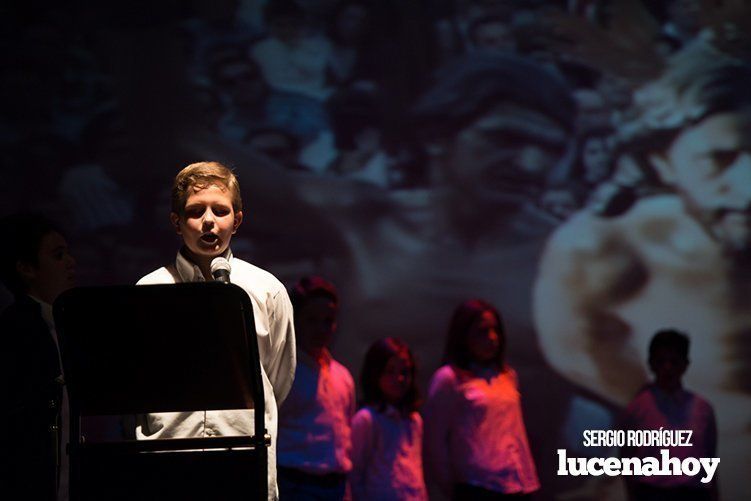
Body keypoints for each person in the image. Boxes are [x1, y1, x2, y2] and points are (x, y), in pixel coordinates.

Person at [533, 41, 751, 500]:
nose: (748, 187)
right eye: (720, 160)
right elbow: (582, 357)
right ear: (661, 162)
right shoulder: (602, 253)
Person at [135, 161, 296, 501]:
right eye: (196, 211)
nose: (209, 221)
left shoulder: (266, 290)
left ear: (237, 220)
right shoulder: (149, 291)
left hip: (245, 454)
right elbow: (137, 382)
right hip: (169, 457)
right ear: (177, 223)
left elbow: (275, 379)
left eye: (220, 210)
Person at [423, 299, 539, 500]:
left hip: (517, 483)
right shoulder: (449, 378)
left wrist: (528, 480)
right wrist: (451, 489)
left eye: (495, 330)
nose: (492, 338)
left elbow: (514, 433)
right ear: (464, 336)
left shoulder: (507, 375)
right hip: (477, 485)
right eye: (482, 332)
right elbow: (435, 442)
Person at [0, 213, 76, 501]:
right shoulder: (17, 330)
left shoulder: (58, 325)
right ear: (26, 268)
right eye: (58, 255)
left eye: (68, 252)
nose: (72, 262)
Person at [276, 276, 355, 500]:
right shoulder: (284, 372)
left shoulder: (342, 376)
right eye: (312, 320)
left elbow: (344, 435)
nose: (321, 329)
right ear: (296, 319)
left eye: (328, 320)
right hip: (296, 484)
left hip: (335, 484)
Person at [620, 329, 718, 501]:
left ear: (685, 364)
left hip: (694, 495)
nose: (668, 368)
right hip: (652, 494)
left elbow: (710, 460)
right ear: (651, 364)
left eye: (674, 361)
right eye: (661, 361)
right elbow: (627, 460)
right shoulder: (636, 409)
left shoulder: (703, 408)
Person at [350, 337, 427, 501]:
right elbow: (356, 473)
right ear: (375, 374)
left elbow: (416, 470)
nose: (399, 379)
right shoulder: (367, 419)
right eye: (390, 371)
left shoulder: (413, 420)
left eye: (404, 372)